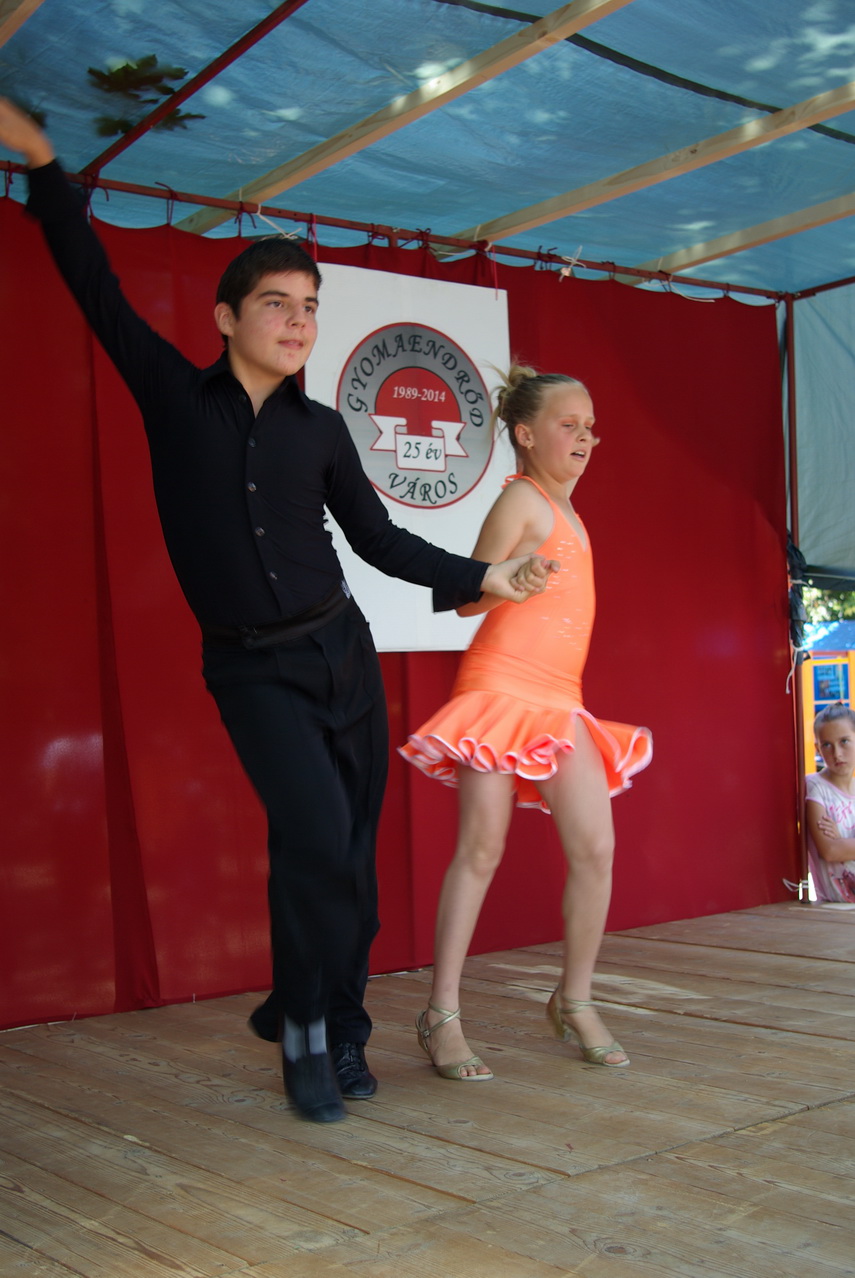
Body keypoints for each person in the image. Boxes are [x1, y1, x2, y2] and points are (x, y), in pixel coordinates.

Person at [0, 98, 556, 1123]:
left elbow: (381, 542)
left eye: (309, 306)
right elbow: (92, 284)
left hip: (341, 654)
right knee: (313, 836)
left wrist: (486, 577)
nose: (299, 322)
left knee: (349, 868)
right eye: (276, 304)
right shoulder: (175, 398)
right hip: (252, 668)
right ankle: (301, 1025)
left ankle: (340, 1028)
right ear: (226, 318)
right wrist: (40, 160)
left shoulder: (324, 432)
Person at [400, 365, 653, 1079]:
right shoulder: (522, 500)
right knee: (481, 848)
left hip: (559, 698)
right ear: (525, 434)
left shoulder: (570, 513)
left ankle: (574, 999)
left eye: (590, 427)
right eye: (569, 425)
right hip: (501, 687)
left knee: (596, 848)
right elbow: (465, 597)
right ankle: (440, 1013)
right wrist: (512, 579)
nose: (585, 437)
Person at [805, 702, 855, 904]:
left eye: (844, 741)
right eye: (827, 744)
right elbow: (830, 851)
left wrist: (842, 842)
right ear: (817, 748)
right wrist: (839, 845)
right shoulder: (815, 787)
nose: (837, 753)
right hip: (833, 909)